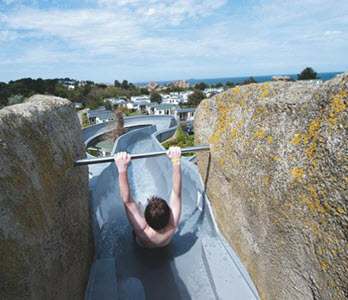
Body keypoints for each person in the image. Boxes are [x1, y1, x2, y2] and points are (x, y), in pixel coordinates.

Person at [114, 146, 182, 248]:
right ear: (169, 216)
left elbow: (126, 200)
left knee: (135, 208)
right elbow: (177, 193)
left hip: (142, 247)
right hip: (165, 245)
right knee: (137, 208)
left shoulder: (141, 230)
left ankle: (140, 210)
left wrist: (122, 169)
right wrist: (176, 161)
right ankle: (140, 210)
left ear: (145, 220)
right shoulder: (172, 225)